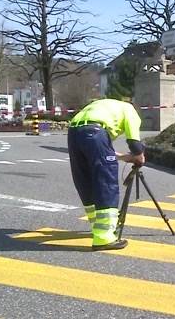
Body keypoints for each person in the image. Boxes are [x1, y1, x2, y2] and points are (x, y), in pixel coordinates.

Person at [68, 98, 145, 251]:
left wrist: (123, 157)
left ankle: (98, 228)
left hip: (74, 133)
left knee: (85, 180)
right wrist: (139, 155)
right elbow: (134, 144)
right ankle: (104, 237)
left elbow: (101, 150)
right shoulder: (130, 111)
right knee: (106, 182)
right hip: (96, 132)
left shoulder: (104, 106)